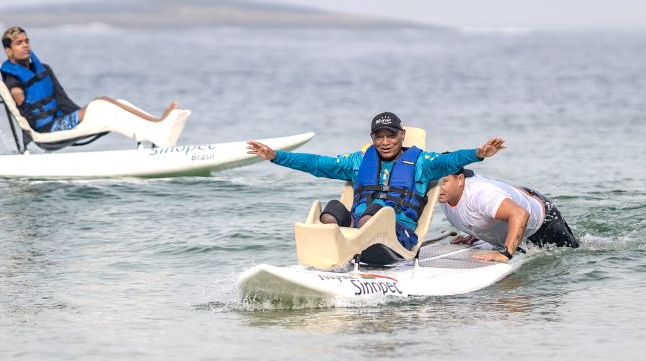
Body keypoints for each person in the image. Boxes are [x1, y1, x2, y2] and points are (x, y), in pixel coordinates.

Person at [247, 112, 507, 265]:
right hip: (358, 227)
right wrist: (275, 156)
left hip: (398, 236)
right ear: (372, 138)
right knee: (333, 210)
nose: (384, 142)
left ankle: (352, 252)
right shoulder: (358, 162)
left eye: (390, 135)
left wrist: (478, 153)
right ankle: (328, 262)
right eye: (378, 136)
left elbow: (449, 161)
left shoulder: (421, 163)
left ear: (402, 135)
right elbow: (317, 163)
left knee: (375, 211)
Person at [0, 26, 179, 135]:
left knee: (112, 104)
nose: (25, 45)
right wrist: (16, 95)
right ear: (8, 51)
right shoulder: (12, 79)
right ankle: (157, 124)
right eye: (19, 43)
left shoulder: (43, 69)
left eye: (27, 41)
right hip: (46, 130)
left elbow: (63, 100)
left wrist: (82, 114)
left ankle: (155, 125)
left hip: (60, 120)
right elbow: (17, 97)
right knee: (101, 103)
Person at [437, 168, 579, 262]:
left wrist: (505, 254)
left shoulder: (480, 194)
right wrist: (476, 231)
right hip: (511, 202)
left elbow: (520, 214)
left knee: (575, 254)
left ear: (460, 180)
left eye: (444, 182)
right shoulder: (441, 192)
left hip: (543, 222)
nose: (438, 187)